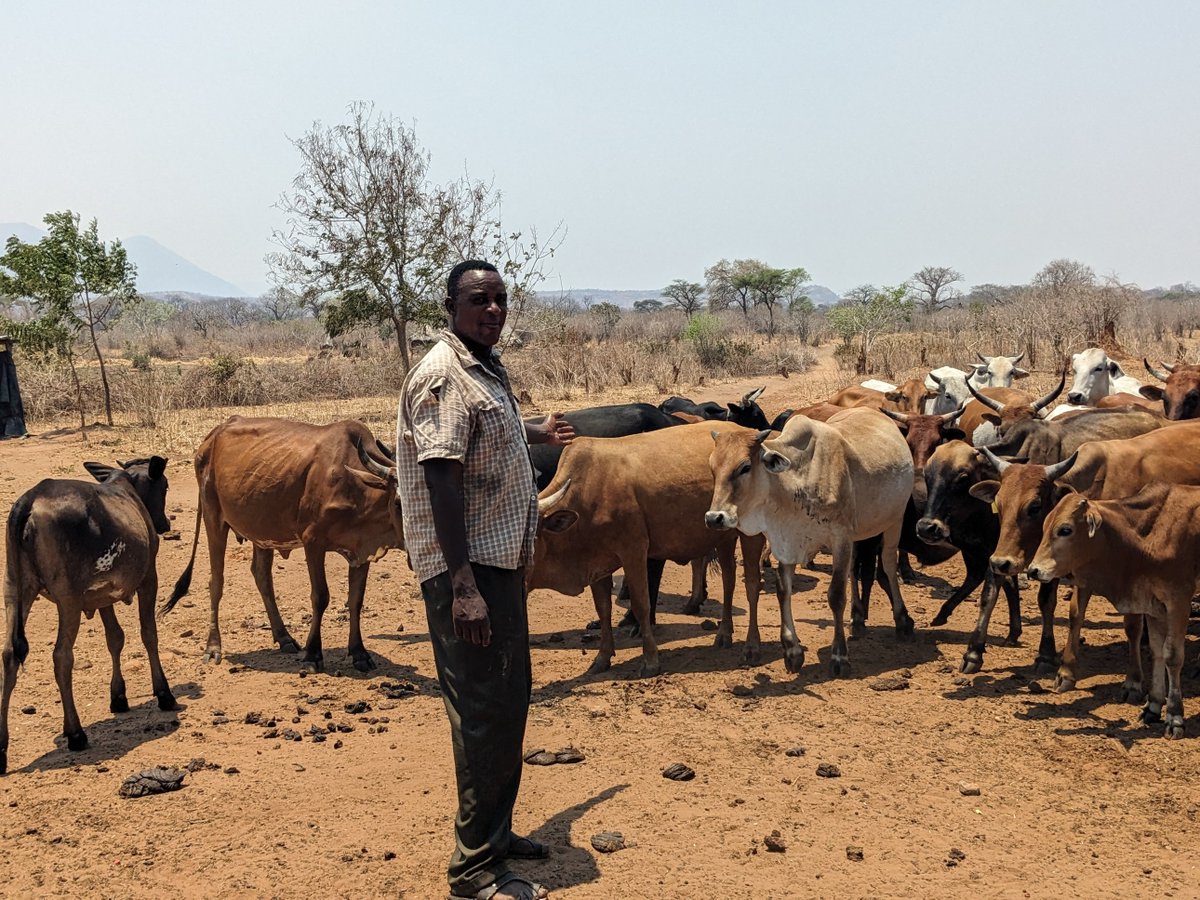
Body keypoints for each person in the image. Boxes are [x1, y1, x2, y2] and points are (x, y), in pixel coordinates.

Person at [396, 260, 574, 900]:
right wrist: (463, 585)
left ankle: (495, 834)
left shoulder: (482, 367)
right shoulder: (443, 376)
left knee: (506, 699)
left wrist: (530, 431)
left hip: (498, 564)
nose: (493, 309)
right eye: (479, 300)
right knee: (480, 711)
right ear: (449, 305)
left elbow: (480, 436)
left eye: (501, 299)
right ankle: (474, 869)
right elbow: (442, 480)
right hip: (466, 571)